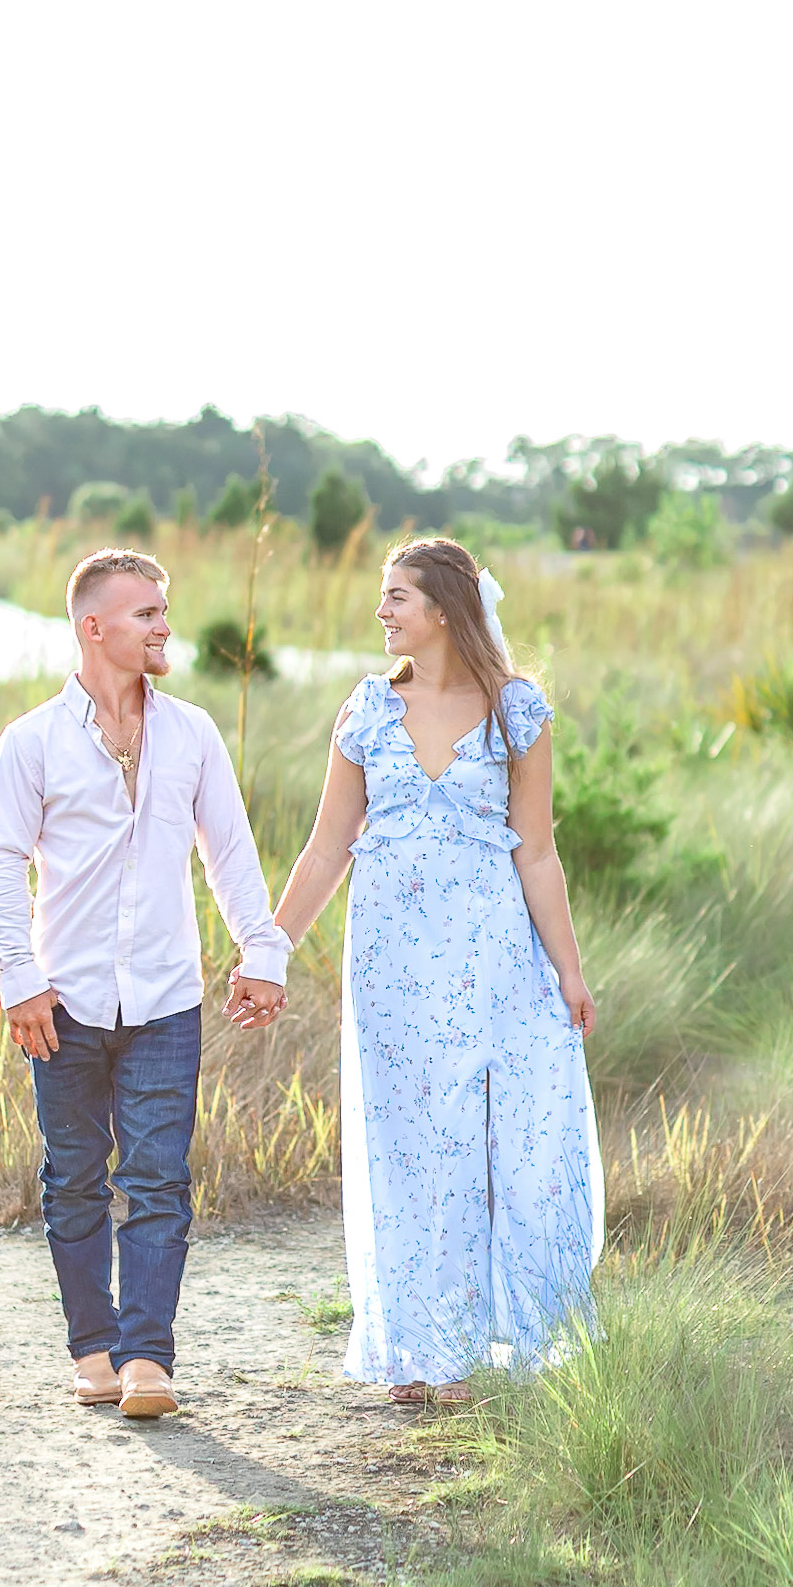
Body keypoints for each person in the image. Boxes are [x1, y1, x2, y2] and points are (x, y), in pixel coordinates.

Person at [264, 537, 603, 1404]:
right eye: (383, 597)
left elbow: (538, 854)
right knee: (412, 1150)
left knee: (510, 1151)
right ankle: (423, 1351)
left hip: (496, 965)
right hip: (392, 969)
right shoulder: (366, 713)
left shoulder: (518, 713)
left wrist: (568, 970)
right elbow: (325, 847)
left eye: (397, 598)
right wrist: (269, 951)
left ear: (446, 610)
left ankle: (525, 1341)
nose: (381, 612)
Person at [0, 548, 290, 1418]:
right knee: (74, 1176)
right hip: (62, 1000)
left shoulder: (192, 732)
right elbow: (1, 867)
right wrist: (18, 980)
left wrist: (260, 952)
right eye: (147, 613)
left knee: (158, 1176)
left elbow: (228, 851)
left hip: (164, 999)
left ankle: (149, 1357)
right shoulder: (30, 742)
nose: (163, 626)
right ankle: (94, 1348)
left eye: (163, 610)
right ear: (95, 627)